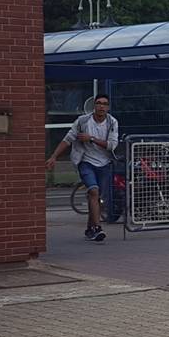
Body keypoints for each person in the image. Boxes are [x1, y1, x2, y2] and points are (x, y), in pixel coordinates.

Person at [46, 94, 118, 242]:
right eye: (99, 103)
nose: (101, 107)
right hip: (85, 161)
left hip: (104, 163)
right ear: (94, 106)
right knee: (93, 191)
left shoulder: (112, 122)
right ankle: (98, 228)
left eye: (105, 104)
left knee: (97, 198)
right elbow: (68, 139)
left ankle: (89, 228)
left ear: (108, 107)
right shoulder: (82, 121)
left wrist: (91, 138)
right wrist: (54, 156)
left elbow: (112, 145)